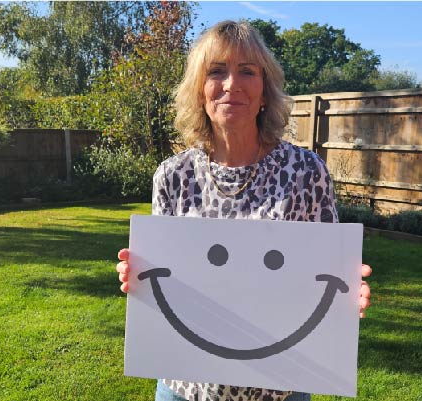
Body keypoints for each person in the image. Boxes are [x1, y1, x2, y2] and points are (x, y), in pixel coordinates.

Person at [116, 20, 372, 401]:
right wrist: (137, 277)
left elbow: (327, 273)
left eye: (247, 71)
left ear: (265, 90)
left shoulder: (305, 172)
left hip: (278, 387)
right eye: (216, 71)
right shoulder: (172, 176)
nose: (231, 84)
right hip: (184, 387)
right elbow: (166, 280)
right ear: (199, 90)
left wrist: (349, 289)